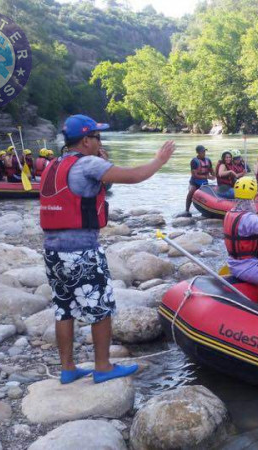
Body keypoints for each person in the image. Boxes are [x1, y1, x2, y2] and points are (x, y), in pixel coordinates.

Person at [40, 114, 174, 384]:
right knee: (99, 308)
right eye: (97, 137)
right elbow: (134, 176)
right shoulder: (88, 163)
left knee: (63, 310)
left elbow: (98, 186)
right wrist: (159, 160)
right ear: (86, 140)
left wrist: (102, 161)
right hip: (81, 250)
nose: (101, 140)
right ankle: (103, 367)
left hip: (53, 251)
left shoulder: (55, 163)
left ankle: (68, 369)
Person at [185, 145, 214, 215]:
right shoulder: (194, 161)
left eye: (204, 151)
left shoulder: (208, 160)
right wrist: (207, 177)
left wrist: (214, 175)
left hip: (204, 182)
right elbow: (194, 175)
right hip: (194, 182)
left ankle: (205, 212)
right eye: (202, 151)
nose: (204, 153)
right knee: (191, 192)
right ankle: (187, 210)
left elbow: (211, 170)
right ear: (198, 152)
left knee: (208, 197)